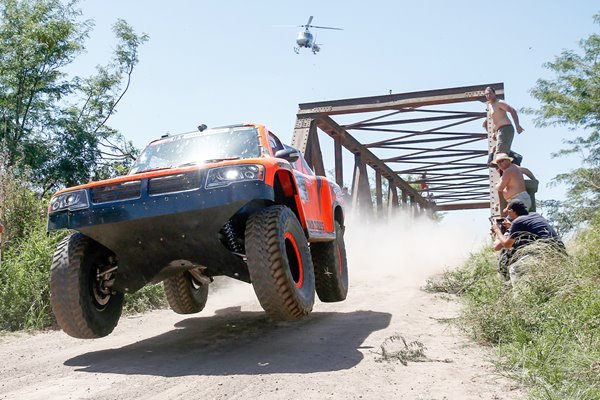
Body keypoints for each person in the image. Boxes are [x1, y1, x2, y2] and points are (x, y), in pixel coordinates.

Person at [492, 199, 564, 288]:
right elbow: (530, 227)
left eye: (508, 212)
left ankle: (518, 297)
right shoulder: (535, 215)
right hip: (559, 250)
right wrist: (512, 227)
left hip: (545, 252)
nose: (508, 215)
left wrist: (497, 230)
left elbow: (507, 245)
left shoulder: (517, 222)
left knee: (514, 269)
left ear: (511, 211)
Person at [483, 86, 524, 156]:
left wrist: (517, 125)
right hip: (499, 130)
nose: (488, 96)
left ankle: (515, 159)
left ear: (494, 93)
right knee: (500, 152)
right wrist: (493, 132)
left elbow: (512, 110)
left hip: (505, 128)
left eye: (490, 93)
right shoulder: (490, 106)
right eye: (486, 94)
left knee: (500, 154)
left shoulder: (499, 102)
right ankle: (515, 157)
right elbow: (494, 120)